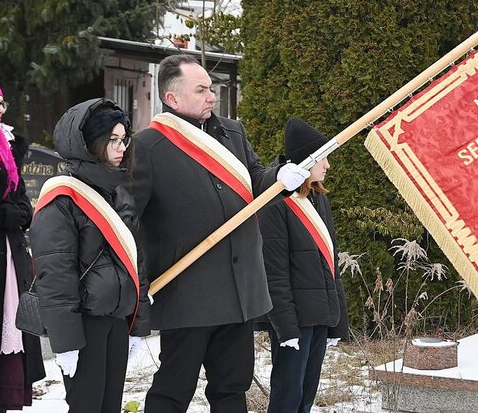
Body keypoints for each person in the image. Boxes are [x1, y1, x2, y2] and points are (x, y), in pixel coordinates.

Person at [122, 54, 310, 413]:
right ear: (172, 98)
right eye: (201, 90)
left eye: (211, 88)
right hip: (187, 295)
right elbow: (127, 219)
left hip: (240, 291)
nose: (212, 96)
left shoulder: (232, 133)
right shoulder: (147, 146)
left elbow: (255, 182)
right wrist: (138, 286)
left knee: (232, 389)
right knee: (173, 390)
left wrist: (279, 178)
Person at [29, 98, 151, 413]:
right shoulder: (63, 197)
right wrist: (66, 341)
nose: (121, 148)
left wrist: (137, 324)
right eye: (112, 140)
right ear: (89, 143)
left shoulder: (118, 192)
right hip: (84, 324)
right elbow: (55, 273)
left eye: (124, 139)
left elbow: (135, 261)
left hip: (117, 319)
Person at [257, 118, 349, 413]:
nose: (328, 165)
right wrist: (286, 328)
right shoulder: (275, 202)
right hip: (294, 320)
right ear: (306, 160)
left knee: (306, 395)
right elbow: (274, 273)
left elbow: (331, 264)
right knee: (288, 397)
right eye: (323, 158)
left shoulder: (318, 197)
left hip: (319, 316)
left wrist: (336, 322)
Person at [0, 75, 45, 412]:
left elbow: (19, 197)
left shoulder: (6, 145)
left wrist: (19, 213)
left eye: (2, 102)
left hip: (8, 257)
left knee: (5, 341)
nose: (1, 108)